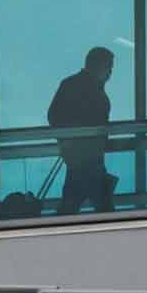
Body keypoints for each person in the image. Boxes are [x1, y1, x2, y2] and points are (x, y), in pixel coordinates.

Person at [48, 47, 117, 214]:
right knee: (103, 208)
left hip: (76, 158)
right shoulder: (92, 90)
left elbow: (53, 116)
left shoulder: (71, 84)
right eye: (109, 68)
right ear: (99, 66)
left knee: (71, 205)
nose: (110, 73)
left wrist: (67, 141)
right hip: (90, 159)